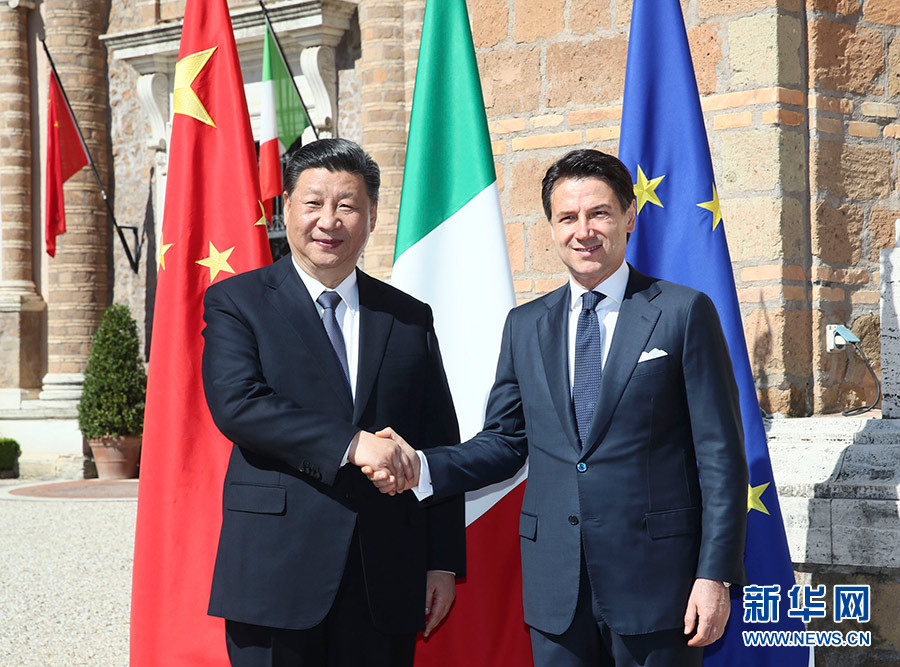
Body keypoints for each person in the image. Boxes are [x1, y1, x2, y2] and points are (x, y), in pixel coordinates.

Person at [367, 149, 748, 667]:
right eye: (568, 217)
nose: (583, 231)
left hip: (660, 586)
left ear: (629, 217)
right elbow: (505, 442)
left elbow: (721, 456)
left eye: (599, 214)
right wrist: (422, 465)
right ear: (550, 228)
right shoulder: (525, 325)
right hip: (556, 589)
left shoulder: (682, 312)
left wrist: (714, 575)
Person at [201, 138, 465, 667]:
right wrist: (352, 444)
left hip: (384, 573)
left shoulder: (408, 316)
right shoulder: (238, 301)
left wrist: (442, 561)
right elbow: (238, 404)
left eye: (347, 205)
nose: (329, 220)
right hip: (276, 570)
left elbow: (438, 439)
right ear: (287, 208)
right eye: (314, 203)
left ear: (372, 216)